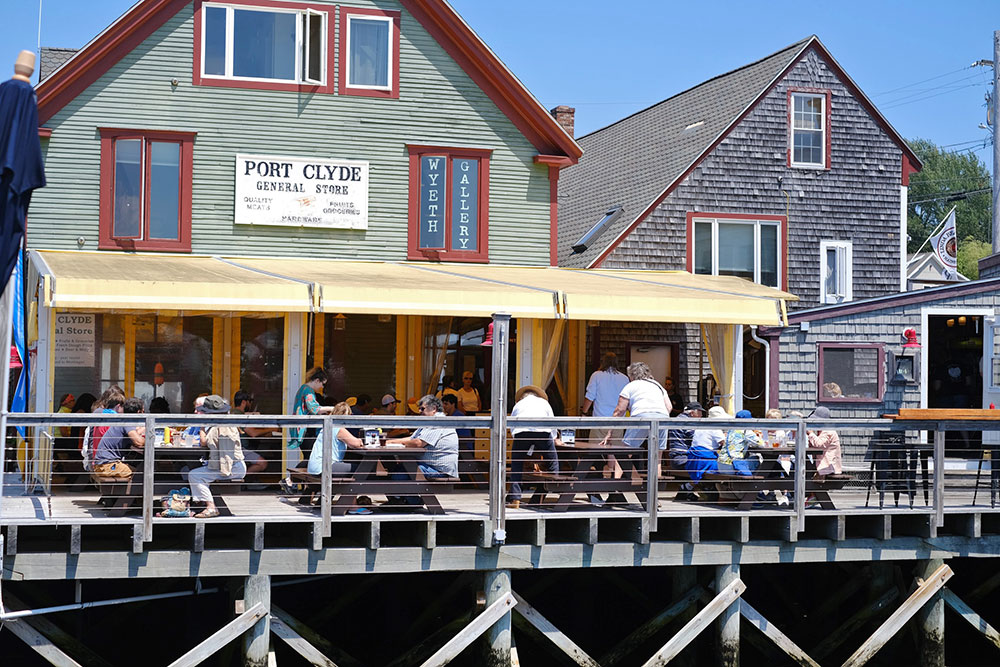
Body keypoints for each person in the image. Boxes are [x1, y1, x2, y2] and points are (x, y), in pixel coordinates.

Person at [605, 361, 672, 505]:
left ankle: (615, 491)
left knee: (623, 453)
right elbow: (669, 407)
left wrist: (610, 431)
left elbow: (619, 411)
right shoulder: (658, 386)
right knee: (657, 458)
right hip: (662, 419)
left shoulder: (630, 386)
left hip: (641, 418)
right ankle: (654, 497)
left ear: (631, 375)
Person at [385, 395, 458, 506]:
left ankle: (412, 503)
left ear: (434, 408)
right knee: (398, 468)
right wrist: (390, 442)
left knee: (401, 473)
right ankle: (403, 501)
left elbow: (418, 443)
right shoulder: (429, 422)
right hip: (430, 465)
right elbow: (412, 439)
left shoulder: (438, 421)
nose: (419, 411)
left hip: (439, 470)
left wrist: (391, 442)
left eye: (422, 408)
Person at [181, 395, 245, 518]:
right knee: (193, 472)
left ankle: (211, 507)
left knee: (195, 475)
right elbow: (206, 442)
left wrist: (201, 425)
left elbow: (210, 444)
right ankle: (202, 504)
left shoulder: (224, 426)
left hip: (233, 467)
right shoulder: (219, 423)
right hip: (229, 465)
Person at [506, 385, 561, 509]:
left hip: (522, 432)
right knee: (552, 462)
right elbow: (552, 422)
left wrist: (521, 444)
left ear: (522, 397)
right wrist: (553, 438)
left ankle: (515, 499)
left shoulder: (518, 405)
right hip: (542, 432)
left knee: (517, 465)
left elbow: (512, 426)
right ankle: (546, 491)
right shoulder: (544, 403)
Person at [288, 367, 335, 470]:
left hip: (301, 430)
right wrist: (333, 408)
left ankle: (296, 481)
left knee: (309, 458)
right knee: (311, 459)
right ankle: (290, 480)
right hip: (307, 431)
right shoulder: (308, 391)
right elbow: (315, 409)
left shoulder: (303, 389)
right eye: (322, 384)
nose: (322, 387)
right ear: (317, 380)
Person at [581, 352, 629, 444]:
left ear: (603, 362)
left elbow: (590, 397)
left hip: (600, 421)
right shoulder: (624, 379)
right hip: (618, 422)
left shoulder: (596, 375)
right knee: (615, 451)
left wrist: (584, 413)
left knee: (596, 452)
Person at [93, 397, 146, 479]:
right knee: (140, 475)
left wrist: (145, 428)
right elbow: (138, 442)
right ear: (139, 412)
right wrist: (150, 440)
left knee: (138, 471)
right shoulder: (127, 422)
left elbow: (135, 433)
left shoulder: (124, 421)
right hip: (107, 465)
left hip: (103, 464)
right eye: (143, 411)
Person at [232, 390, 270, 483]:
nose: (250, 404)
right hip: (239, 449)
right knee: (263, 463)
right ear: (244, 402)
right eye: (250, 402)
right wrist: (272, 429)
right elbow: (253, 433)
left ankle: (246, 480)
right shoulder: (239, 415)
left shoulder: (232, 412)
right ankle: (240, 479)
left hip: (236, 448)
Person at [667, 401, 704, 500]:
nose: (701, 416)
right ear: (692, 413)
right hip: (682, 457)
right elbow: (695, 437)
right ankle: (687, 488)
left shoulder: (678, 419)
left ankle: (685, 490)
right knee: (706, 465)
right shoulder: (687, 422)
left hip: (676, 456)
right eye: (700, 412)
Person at [685, 405, 728, 483]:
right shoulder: (715, 428)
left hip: (693, 459)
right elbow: (724, 443)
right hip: (706, 460)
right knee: (726, 468)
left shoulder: (701, 426)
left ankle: (688, 487)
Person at [718, 409, 764, 474]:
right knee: (755, 459)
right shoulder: (746, 431)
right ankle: (753, 482)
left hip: (721, 465)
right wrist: (760, 437)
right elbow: (761, 444)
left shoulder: (731, 430)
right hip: (732, 466)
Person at [441, 393, 475, 466]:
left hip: (463, 449)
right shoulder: (449, 416)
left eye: (446, 404)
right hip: (457, 447)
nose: (444, 406)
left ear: (453, 404)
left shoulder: (458, 416)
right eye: (443, 404)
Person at [808, 406, 842, 476]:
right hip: (822, 466)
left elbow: (819, 444)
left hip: (828, 468)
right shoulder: (822, 431)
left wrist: (810, 433)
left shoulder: (828, 431)